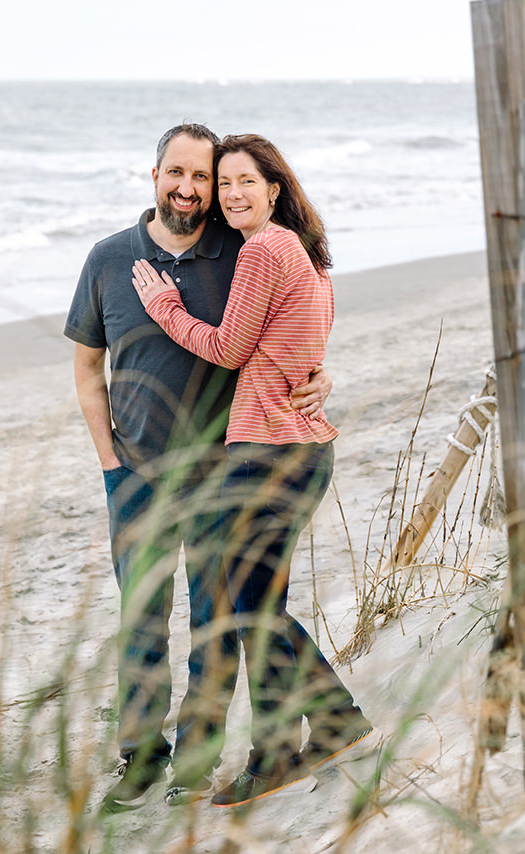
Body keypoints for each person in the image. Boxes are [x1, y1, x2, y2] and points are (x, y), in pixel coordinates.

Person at [65, 124, 331, 813]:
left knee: (216, 620)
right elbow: (88, 369)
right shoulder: (107, 259)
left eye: (203, 177)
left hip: (225, 468)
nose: (189, 187)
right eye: (175, 172)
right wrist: (108, 461)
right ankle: (141, 759)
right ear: (153, 174)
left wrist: (317, 375)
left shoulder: (238, 250)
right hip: (137, 472)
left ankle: (198, 758)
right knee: (142, 620)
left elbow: (292, 317)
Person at [132, 133, 375, 809]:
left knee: (253, 606)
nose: (233, 193)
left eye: (246, 182)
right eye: (225, 182)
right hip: (298, 450)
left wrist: (164, 308)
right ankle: (279, 749)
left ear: (274, 188)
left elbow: (230, 348)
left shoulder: (266, 248)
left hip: (269, 452)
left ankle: (334, 720)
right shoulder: (308, 255)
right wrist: (316, 375)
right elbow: (300, 345)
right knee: (258, 605)